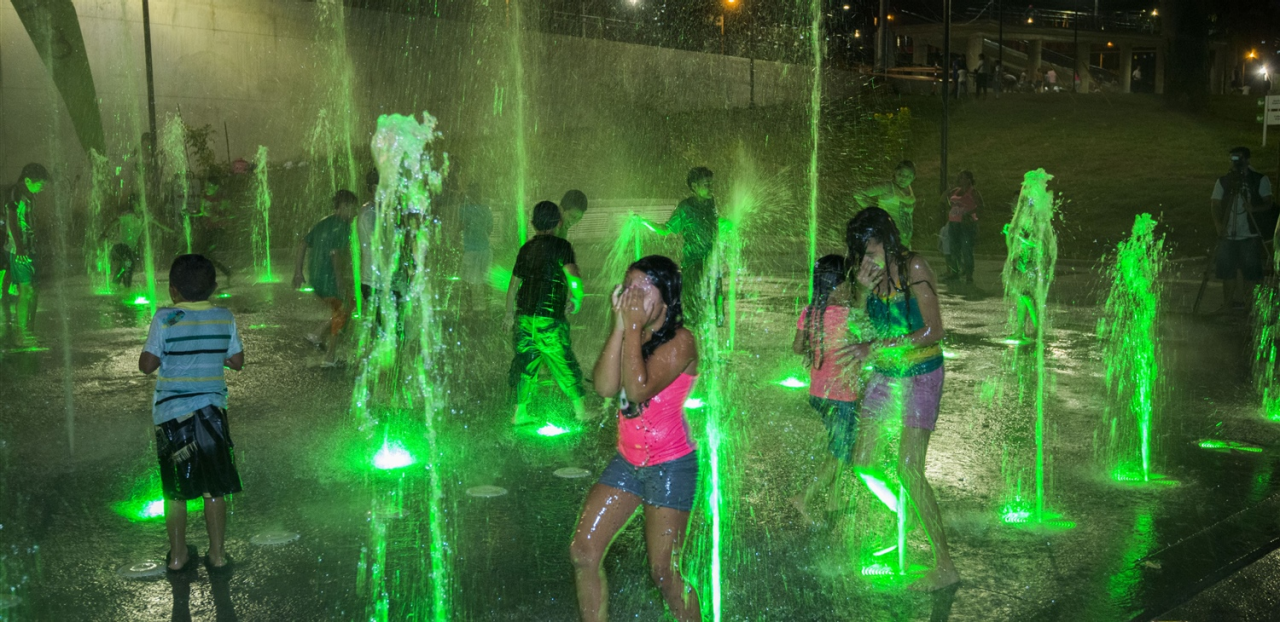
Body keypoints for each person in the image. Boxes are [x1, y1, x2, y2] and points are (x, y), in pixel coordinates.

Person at [571, 255, 701, 622]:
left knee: (663, 574)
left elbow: (638, 388)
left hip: (671, 467)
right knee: (583, 551)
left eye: (643, 288)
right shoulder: (632, 331)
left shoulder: (682, 341)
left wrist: (630, 328)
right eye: (628, 287)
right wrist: (619, 328)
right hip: (628, 462)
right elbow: (605, 386)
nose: (632, 296)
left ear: (666, 297)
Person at [841, 207, 958, 592]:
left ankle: (945, 565)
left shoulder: (914, 268)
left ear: (886, 239)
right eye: (860, 249)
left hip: (922, 373)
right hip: (888, 373)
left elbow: (934, 330)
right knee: (863, 462)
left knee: (908, 468)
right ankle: (903, 516)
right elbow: (859, 328)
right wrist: (860, 290)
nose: (865, 256)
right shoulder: (869, 276)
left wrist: (879, 347)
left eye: (870, 246)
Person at [138, 254, 244, 575]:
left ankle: (178, 556)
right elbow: (237, 361)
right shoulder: (224, 317)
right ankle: (218, 555)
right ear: (213, 287)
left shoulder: (166, 318)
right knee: (214, 489)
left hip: (173, 417)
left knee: (176, 492)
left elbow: (146, 365)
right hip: (212, 415)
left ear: (173, 290)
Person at [789, 255, 859, 524]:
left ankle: (834, 501)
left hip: (818, 393)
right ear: (839, 286)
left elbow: (797, 347)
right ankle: (804, 497)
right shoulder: (847, 315)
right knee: (841, 451)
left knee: (838, 447)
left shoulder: (810, 312)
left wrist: (818, 344)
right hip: (842, 395)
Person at [505, 201, 586, 423]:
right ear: (559, 222)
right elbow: (574, 277)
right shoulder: (562, 247)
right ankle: (580, 411)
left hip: (524, 317)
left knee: (526, 362)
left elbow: (513, 286)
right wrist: (576, 298)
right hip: (549, 318)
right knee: (563, 362)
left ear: (533, 223)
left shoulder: (526, 249)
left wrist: (509, 313)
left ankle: (519, 412)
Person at [648, 167, 721, 325]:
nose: (711, 187)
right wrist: (644, 223)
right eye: (706, 184)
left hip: (712, 264)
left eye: (711, 184)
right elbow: (666, 229)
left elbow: (716, 224)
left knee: (714, 308)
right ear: (694, 186)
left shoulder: (712, 203)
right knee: (696, 308)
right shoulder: (685, 208)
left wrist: (729, 224)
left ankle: (708, 344)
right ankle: (692, 340)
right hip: (693, 265)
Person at [293, 189, 357, 366]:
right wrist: (339, 281)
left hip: (316, 279)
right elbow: (335, 254)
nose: (354, 213)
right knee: (343, 310)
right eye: (352, 209)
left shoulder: (323, 223)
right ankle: (329, 357)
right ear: (343, 206)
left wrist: (298, 272)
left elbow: (303, 243)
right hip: (329, 279)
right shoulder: (343, 227)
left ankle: (317, 334)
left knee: (345, 307)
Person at [1212, 147, 1274, 311]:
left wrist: (1254, 208)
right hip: (1228, 235)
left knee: (1251, 272)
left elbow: (1268, 203)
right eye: (1232, 159)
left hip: (1250, 234)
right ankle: (1227, 304)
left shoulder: (1259, 179)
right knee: (1227, 271)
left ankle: (1250, 306)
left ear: (1247, 160)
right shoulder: (1224, 181)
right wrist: (1219, 225)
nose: (1235, 162)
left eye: (1238, 159)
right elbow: (1215, 204)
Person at [3, 163, 49, 347]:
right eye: (40, 184)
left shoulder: (30, 195)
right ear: (28, 180)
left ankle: (29, 329)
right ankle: (21, 333)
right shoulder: (15, 193)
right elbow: (12, 221)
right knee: (26, 290)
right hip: (18, 250)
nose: (42, 187)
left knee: (34, 291)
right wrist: (20, 247)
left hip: (30, 249)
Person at [854, 160, 918, 248]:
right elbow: (859, 194)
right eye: (901, 174)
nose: (904, 179)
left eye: (908, 176)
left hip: (904, 242)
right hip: (887, 240)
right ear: (895, 172)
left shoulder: (909, 189)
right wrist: (875, 212)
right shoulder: (888, 187)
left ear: (913, 177)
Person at [191, 175, 233, 284]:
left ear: (216, 187)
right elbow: (201, 212)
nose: (207, 187)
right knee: (203, 253)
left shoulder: (221, 199)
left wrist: (219, 217)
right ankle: (225, 272)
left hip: (219, 230)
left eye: (210, 186)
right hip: (207, 229)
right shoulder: (204, 197)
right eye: (206, 185)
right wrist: (190, 213)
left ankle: (209, 276)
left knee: (207, 253)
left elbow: (231, 214)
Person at [459, 183, 494, 313]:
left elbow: (461, 226)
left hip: (470, 249)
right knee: (486, 279)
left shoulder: (464, 210)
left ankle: (470, 308)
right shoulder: (486, 210)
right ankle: (488, 308)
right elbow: (490, 229)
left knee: (466, 281)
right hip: (484, 248)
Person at [944, 171, 983, 283]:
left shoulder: (973, 192)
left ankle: (969, 274)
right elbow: (944, 199)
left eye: (966, 178)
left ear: (970, 180)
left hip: (966, 224)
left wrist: (969, 213)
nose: (963, 180)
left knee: (966, 249)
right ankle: (955, 271)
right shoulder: (956, 191)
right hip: (954, 222)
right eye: (961, 178)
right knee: (954, 248)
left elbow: (980, 205)